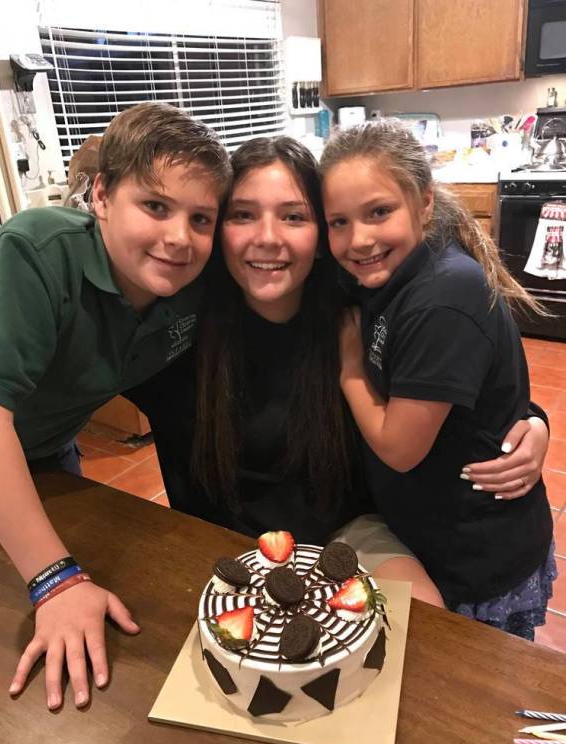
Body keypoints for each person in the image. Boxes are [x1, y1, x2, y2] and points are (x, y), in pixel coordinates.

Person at [128, 136, 550, 614]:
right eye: (243, 215)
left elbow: (458, 367)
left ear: (321, 235)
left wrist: (529, 422)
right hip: (224, 545)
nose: (268, 237)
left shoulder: (356, 300)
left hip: (347, 532)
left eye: (293, 216)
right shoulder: (181, 321)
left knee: (424, 626)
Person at [0, 102, 230, 709]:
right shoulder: (38, 251)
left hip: (49, 456)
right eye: (155, 206)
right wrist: (54, 581)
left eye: (201, 218)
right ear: (103, 194)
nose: (178, 237)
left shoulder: (195, 284)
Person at [320, 119, 556, 640]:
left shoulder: (442, 296)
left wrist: (352, 369)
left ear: (424, 203)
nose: (359, 239)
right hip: (428, 533)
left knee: (476, 702)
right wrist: (535, 420)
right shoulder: (380, 275)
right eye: (338, 222)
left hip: (477, 553)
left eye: (379, 212)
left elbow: (399, 448)